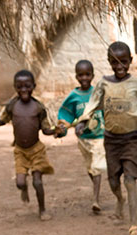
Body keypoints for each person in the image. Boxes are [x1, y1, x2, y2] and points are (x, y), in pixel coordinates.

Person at [78, 41, 137, 235]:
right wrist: (82, 121)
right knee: (113, 181)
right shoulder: (104, 83)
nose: (119, 66)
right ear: (109, 62)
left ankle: (134, 223)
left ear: (130, 61)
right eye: (115, 62)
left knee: (130, 179)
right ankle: (119, 199)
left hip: (130, 140)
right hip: (111, 140)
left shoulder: (136, 83)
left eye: (124, 62)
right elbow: (93, 103)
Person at [0, 70, 60, 220]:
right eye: (19, 87)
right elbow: (2, 121)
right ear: (15, 87)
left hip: (37, 150)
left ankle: (42, 210)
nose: (24, 89)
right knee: (19, 182)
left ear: (34, 86)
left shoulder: (38, 107)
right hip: (20, 151)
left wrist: (55, 131)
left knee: (37, 182)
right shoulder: (12, 105)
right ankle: (24, 188)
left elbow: (45, 130)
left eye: (27, 86)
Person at [56, 59, 107, 213]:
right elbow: (66, 115)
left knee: (96, 167)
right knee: (90, 168)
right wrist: (62, 128)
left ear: (93, 75)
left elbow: (106, 111)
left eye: (87, 74)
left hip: (99, 137)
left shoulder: (97, 93)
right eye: (81, 75)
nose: (84, 78)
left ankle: (96, 200)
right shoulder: (74, 96)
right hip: (83, 139)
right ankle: (96, 187)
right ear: (76, 76)